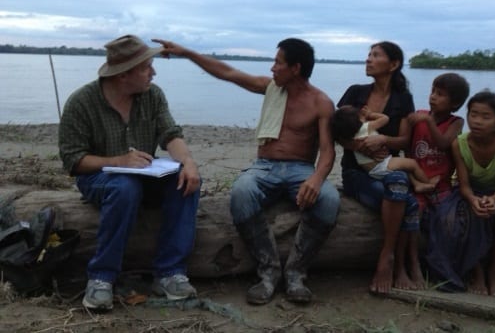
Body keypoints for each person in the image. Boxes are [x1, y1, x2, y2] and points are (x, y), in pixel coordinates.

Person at [153, 37, 340, 305]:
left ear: (296, 68)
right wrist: (186, 53)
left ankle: (296, 272)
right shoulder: (271, 88)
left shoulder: (321, 102)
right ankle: (269, 271)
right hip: (264, 167)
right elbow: (228, 72)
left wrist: (317, 178)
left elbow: (328, 150)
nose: (272, 68)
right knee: (241, 191)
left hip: (300, 169)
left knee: (330, 200)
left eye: (278, 63)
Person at [58, 35, 201, 311]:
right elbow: (73, 161)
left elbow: (171, 135)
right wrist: (119, 160)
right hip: (98, 179)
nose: (153, 72)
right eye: (147, 67)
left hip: (145, 175)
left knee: (185, 180)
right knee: (125, 187)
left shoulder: (153, 95)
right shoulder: (82, 102)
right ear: (124, 75)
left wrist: (189, 162)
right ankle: (101, 278)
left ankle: (170, 273)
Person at [337, 41, 421, 292]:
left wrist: (383, 139)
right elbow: (336, 131)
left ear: (393, 64)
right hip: (356, 172)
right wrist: (358, 145)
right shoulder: (355, 93)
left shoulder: (402, 99)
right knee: (409, 203)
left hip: (388, 167)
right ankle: (394, 262)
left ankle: (393, 260)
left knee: (398, 183)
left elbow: (405, 140)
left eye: (376, 55)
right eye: (368, 55)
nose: (368, 59)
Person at [452, 91, 495, 297]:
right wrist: (473, 200)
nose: (477, 121)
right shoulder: (459, 144)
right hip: (469, 192)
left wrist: (492, 200)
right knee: (473, 216)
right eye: (473, 114)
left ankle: (494, 273)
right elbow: (463, 185)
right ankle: (477, 271)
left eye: (486, 117)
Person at [330, 105, 439, 193]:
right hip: (381, 165)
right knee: (412, 164)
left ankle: (417, 184)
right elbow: (385, 119)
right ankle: (429, 183)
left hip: (372, 170)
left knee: (404, 167)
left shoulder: (350, 136)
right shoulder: (366, 127)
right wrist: (370, 114)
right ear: (359, 119)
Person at [407, 72, 469, 208]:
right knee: (415, 209)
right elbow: (406, 145)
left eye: (440, 94)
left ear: (455, 102)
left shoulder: (456, 122)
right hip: (416, 178)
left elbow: (443, 143)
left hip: (440, 184)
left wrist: (429, 121)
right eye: (432, 92)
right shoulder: (419, 116)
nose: (433, 97)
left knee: (445, 215)